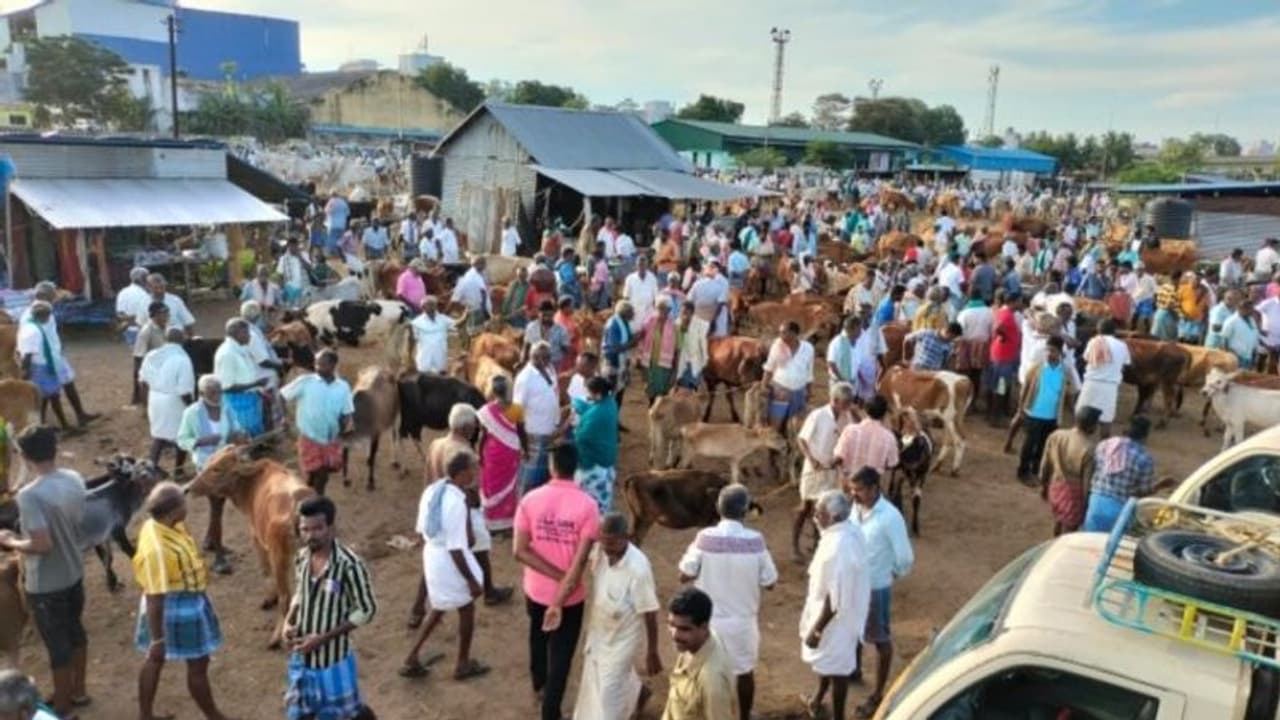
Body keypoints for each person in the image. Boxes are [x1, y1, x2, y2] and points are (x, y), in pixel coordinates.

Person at [0, 425, 90, 716]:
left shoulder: (29, 495)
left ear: (24, 456)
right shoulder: (74, 479)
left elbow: (41, 544)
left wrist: (10, 540)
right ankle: (79, 691)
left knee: (57, 645)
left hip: (46, 583)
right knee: (76, 632)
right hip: (74, 570)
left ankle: (61, 705)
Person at [513, 443, 601, 720]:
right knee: (561, 654)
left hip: (536, 589)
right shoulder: (588, 506)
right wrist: (564, 584)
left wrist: (554, 576)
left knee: (537, 636)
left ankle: (538, 684)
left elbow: (520, 550)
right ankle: (550, 711)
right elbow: (580, 562)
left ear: (552, 467)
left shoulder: (530, 500)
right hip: (570, 597)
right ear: (576, 468)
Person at [132, 482, 232, 720]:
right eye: (183, 502)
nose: (187, 505)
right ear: (174, 510)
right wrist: (158, 639)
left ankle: (145, 716)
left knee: (156, 661)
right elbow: (155, 598)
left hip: (181, 599)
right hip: (176, 607)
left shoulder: (158, 525)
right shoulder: (158, 549)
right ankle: (214, 716)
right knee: (196, 664)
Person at [677, 484, 777, 720]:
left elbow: (684, 574)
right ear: (745, 512)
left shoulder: (704, 538)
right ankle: (744, 715)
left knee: (702, 671)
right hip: (743, 623)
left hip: (707, 624)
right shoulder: (756, 541)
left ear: (718, 509)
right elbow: (770, 581)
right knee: (744, 673)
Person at [552, 512, 662, 720]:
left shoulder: (638, 569)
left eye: (612, 543)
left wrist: (652, 651)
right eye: (603, 541)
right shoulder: (600, 551)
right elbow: (582, 559)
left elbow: (650, 611)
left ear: (626, 538)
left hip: (623, 639)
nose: (606, 549)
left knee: (608, 691)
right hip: (600, 630)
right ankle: (639, 695)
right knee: (594, 676)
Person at [283, 496, 377, 720]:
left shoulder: (349, 566)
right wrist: (289, 619)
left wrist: (323, 638)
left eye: (317, 528)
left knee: (345, 715)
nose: (310, 535)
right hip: (302, 660)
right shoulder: (302, 558)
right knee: (301, 713)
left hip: (333, 664)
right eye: (304, 529)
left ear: (331, 528)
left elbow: (367, 610)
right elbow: (300, 592)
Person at [401, 451, 491, 681]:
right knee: (466, 608)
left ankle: (412, 657)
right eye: (473, 468)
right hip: (450, 559)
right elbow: (458, 546)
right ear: (462, 473)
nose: (476, 472)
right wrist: (471, 580)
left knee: (439, 605)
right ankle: (462, 663)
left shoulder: (432, 490)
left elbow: (422, 530)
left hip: (432, 555)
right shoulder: (456, 501)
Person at [799, 489, 871, 720]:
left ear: (833, 516)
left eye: (819, 513)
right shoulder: (845, 532)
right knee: (828, 662)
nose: (815, 517)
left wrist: (817, 629)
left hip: (835, 620)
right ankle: (818, 699)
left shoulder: (839, 545)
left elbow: (835, 597)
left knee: (838, 668)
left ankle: (838, 716)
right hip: (835, 615)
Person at [847, 468, 912, 718]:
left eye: (859, 490)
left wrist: (888, 574)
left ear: (875, 488)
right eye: (852, 490)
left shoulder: (890, 517)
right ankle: (854, 670)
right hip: (854, 583)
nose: (854, 495)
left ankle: (877, 693)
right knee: (854, 629)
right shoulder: (856, 510)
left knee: (880, 639)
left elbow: (905, 558)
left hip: (875, 586)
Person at [176, 376, 243, 574]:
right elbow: (181, 439)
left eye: (219, 391)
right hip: (205, 465)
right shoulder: (192, 413)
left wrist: (238, 435)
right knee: (216, 505)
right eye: (212, 392)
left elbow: (236, 429)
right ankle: (219, 555)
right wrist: (200, 441)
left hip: (226, 461)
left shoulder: (226, 408)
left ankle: (210, 541)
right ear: (202, 394)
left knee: (218, 506)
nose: (217, 395)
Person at [793, 383, 856, 561]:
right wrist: (812, 459)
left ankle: (816, 545)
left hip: (832, 469)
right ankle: (795, 547)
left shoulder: (847, 417)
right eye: (846, 403)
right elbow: (802, 439)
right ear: (835, 400)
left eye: (849, 402)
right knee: (805, 507)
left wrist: (840, 459)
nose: (848, 406)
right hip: (814, 469)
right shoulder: (818, 415)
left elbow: (848, 439)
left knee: (825, 508)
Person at [280, 349, 354, 495]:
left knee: (321, 471)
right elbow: (281, 395)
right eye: (316, 364)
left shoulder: (343, 387)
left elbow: (346, 411)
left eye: (322, 365)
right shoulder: (305, 382)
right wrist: (284, 417)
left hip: (330, 437)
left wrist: (346, 426)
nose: (317, 368)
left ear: (333, 365)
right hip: (309, 436)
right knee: (320, 473)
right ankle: (319, 498)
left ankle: (311, 489)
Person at [1082, 416, 1174, 533]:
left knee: (1089, 542)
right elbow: (1142, 492)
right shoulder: (1144, 458)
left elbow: (1093, 470)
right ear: (1145, 436)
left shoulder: (1104, 445)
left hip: (1096, 503)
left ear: (1125, 430)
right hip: (1120, 508)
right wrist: (1160, 485)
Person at [660, 587, 738, 720]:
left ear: (704, 627)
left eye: (684, 629)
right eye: (671, 625)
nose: (674, 635)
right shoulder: (693, 644)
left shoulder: (712, 681)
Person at [17, 300, 97, 431]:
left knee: (48, 396)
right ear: (44, 316)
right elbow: (27, 355)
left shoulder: (32, 326)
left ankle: (45, 425)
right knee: (48, 397)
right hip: (39, 367)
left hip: (40, 365)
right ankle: (55, 426)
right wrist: (25, 374)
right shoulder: (33, 331)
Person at [1015, 337, 1078, 485]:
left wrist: (1072, 411)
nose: (1050, 353)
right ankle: (1023, 471)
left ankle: (1037, 470)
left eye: (1053, 351)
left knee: (1044, 445)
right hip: (1033, 413)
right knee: (1029, 445)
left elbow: (1071, 391)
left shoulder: (1065, 371)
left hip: (1052, 416)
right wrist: (1021, 409)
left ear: (1061, 353)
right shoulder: (1036, 369)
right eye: (1048, 350)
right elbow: (1025, 390)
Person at [139, 327, 195, 475]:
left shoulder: (151, 355)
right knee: (182, 436)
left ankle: (150, 469)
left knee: (159, 435)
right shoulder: (183, 359)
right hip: (174, 401)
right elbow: (184, 391)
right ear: (182, 339)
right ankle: (179, 471)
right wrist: (193, 407)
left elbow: (143, 382)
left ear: (165, 339)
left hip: (154, 398)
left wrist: (145, 404)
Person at [1039, 406, 1101, 535]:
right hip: (1073, 495)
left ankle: (1054, 542)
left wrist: (1044, 485)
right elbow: (1086, 482)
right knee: (1069, 531)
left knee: (1059, 519)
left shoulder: (1056, 435)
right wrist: (1086, 505)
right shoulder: (1089, 448)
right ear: (1092, 427)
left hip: (1055, 486)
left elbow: (1045, 464)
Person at [476, 375, 525, 532]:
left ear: (494, 391)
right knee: (509, 486)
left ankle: (491, 523)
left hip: (492, 454)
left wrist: (480, 453)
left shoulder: (485, 411)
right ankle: (507, 522)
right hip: (511, 453)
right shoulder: (517, 409)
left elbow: (482, 436)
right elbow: (521, 432)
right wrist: (526, 449)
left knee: (491, 485)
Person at [514, 341, 560, 492]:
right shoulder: (524, 378)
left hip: (550, 432)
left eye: (549, 357)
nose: (549, 360)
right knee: (529, 479)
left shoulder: (549, 369)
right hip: (533, 435)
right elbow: (516, 413)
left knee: (545, 477)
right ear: (534, 357)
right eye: (545, 357)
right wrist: (523, 444)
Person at [572, 376, 620, 512]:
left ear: (598, 394)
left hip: (593, 465)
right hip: (607, 460)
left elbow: (581, 437)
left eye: (589, 393)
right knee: (604, 499)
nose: (587, 395)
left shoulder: (596, 416)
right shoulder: (610, 403)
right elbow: (592, 408)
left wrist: (575, 427)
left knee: (591, 504)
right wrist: (580, 406)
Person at [214, 319, 268, 438]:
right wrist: (255, 384)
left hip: (248, 399)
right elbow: (226, 386)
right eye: (247, 333)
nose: (249, 336)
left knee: (254, 433)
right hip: (237, 403)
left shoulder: (239, 349)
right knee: (244, 436)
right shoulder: (227, 354)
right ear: (238, 334)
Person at [1077, 319, 1131, 436]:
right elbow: (1125, 364)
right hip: (1109, 386)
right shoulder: (1122, 345)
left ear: (1098, 330)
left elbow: (1086, 358)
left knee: (1083, 416)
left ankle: (1079, 444)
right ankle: (1105, 449)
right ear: (1114, 331)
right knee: (1106, 420)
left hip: (1091, 383)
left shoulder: (1093, 342)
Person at [832, 395, 899, 481]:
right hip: (871, 485)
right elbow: (892, 463)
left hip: (849, 481)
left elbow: (839, 456)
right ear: (884, 414)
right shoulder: (889, 437)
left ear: (865, 410)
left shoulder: (850, 430)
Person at [763, 321, 814, 432]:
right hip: (780, 392)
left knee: (794, 427)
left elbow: (809, 372)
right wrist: (764, 386)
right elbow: (769, 368)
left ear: (794, 333)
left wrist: (809, 391)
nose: (781, 336)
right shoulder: (777, 346)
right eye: (780, 333)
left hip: (798, 393)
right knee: (775, 426)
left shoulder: (808, 348)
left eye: (784, 333)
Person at [637, 296, 680, 403]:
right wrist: (639, 357)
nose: (662, 312)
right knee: (650, 389)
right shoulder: (649, 323)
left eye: (664, 309)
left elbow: (677, 349)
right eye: (660, 309)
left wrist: (675, 368)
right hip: (650, 362)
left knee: (662, 392)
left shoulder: (674, 326)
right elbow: (641, 340)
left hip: (665, 364)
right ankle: (651, 410)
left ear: (669, 311)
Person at [826, 317, 876, 403]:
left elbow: (857, 363)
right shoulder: (837, 342)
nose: (861, 332)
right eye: (859, 329)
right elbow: (831, 363)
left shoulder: (858, 343)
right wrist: (843, 380)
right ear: (852, 329)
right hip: (839, 383)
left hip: (852, 383)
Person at [602, 302, 638, 413]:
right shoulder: (614, 324)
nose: (634, 314)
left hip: (621, 363)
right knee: (611, 393)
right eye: (631, 312)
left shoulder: (623, 322)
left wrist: (637, 338)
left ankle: (615, 420)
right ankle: (610, 420)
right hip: (613, 363)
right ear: (625, 313)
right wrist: (633, 342)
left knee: (620, 392)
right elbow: (615, 348)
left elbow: (629, 339)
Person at [523, 299, 573, 372]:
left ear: (553, 314)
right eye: (544, 315)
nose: (547, 318)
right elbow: (526, 347)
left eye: (549, 315)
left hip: (554, 365)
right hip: (534, 364)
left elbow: (567, 350)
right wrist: (523, 362)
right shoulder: (531, 327)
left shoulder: (561, 330)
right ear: (539, 313)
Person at [674, 302, 710, 390]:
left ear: (692, 313)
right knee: (681, 387)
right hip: (681, 360)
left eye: (686, 312)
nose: (684, 315)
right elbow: (676, 345)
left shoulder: (701, 325)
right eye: (682, 312)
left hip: (695, 361)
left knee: (691, 387)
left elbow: (703, 344)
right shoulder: (677, 324)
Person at [452, 256, 492, 334]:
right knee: (475, 333)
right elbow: (482, 292)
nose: (485, 265)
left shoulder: (483, 273)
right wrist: (484, 310)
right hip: (477, 308)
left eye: (484, 264)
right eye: (483, 264)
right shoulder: (472, 276)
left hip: (480, 306)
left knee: (481, 331)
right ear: (477, 265)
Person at [1220, 298, 1261, 370]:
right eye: (1250, 309)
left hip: (1248, 357)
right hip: (1236, 357)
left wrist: (1254, 354)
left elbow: (1254, 336)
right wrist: (1230, 356)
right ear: (1241, 309)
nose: (1252, 311)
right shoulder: (1231, 321)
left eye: (1252, 309)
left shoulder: (1251, 320)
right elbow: (1224, 339)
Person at [624, 254, 661, 331]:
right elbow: (626, 297)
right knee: (635, 335)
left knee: (648, 336)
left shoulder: (652, 278)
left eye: (643, 265)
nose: (641, 267)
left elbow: (656, 297)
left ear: (647, 265)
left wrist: (656, 312)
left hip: (648, 313)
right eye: (639, 265)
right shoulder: (630, 278)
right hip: (634, 314)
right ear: (636, 265)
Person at [117, 265, 152, 344]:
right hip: (145, 331)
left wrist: (128, 322)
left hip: (129, 332)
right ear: (143, 279)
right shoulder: (146, 294)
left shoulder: (123, 292)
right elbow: (149, 315)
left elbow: (120, 315)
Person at [276, 238, 313, 309]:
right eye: (291, 245)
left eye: (295, 245)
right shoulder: (283, 259)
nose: (293, 247)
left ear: (297, 245)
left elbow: (309, 268)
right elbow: (280, 275)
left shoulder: (304, 255)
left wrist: (300, 257)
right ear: (288, 246)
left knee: (306, 310)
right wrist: (281, 290)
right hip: (291, 291)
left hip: (304, 289)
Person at [1177, 271, 1210, 344]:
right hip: (1184, 319)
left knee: (1193, 342)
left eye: (1199, 279)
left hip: (1197, 321)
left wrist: (1205, 318)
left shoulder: (1204, 291)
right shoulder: (1183, 288)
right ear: (1190, 279)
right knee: (1182, 341)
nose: (1197, 281)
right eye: (1195, 279)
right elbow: (1177, 304)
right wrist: (1183, 314)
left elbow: (1206, 306)